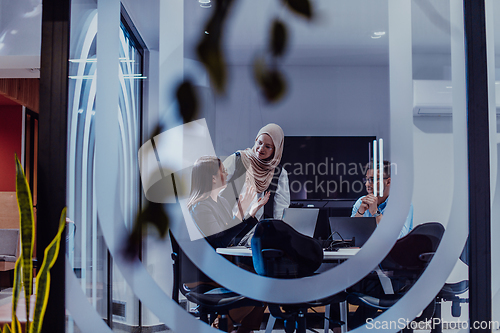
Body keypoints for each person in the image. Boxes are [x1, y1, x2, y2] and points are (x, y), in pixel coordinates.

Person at [187, 156, 269, 333]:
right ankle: (221, 326)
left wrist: (250, 214)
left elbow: (231, 239)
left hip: (223, 265)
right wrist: (241, 214)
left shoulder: (221, 202)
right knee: (256, 278)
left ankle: (244, 330)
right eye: (223, 171)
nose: (226, 174)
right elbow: (219, 241)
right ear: (213, 178)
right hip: (206, 271)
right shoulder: (199, 206)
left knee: (263, 274)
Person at [220, 123, 290, 245]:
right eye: (260, 143)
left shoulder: (279, 172)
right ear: (256, 140)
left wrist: (276, 234)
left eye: (268, 147)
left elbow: (281, 209)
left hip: (257, 235)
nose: (261, 148)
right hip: (231, 229)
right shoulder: (237, 160)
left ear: (276, 150)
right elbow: (218, 192)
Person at [351, 160, 413, 238]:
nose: (367, 184)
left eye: (372, 180)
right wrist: (360, 212)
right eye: (366, 180)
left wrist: (375, 212)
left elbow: (399, 237)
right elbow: (350, 237)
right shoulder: (360, 203)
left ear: (388, 182)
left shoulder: (402, 205)